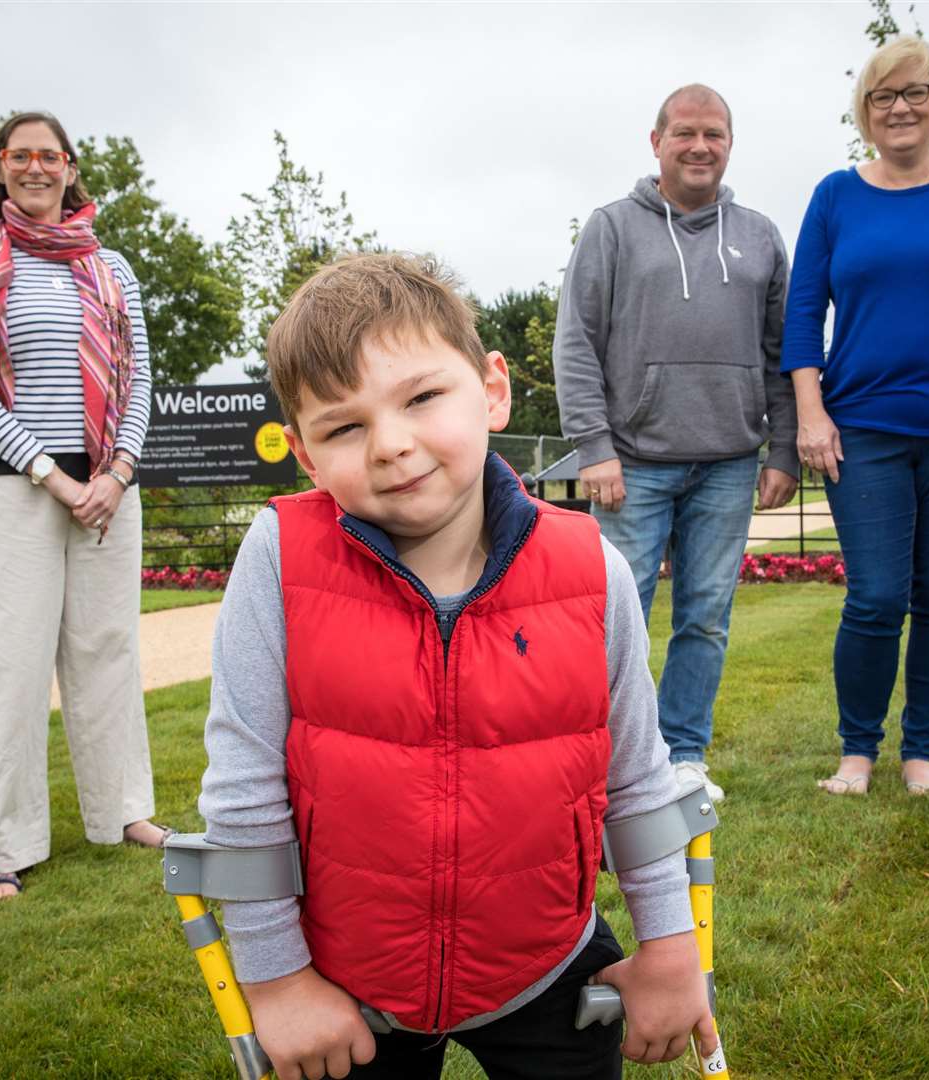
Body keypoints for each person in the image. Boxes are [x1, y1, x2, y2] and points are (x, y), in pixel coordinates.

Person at [197, 253, 716, 1080]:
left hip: (548, 963)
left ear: (492, 388)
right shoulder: (279, 558)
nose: (391, 446)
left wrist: (668, 951)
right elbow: (243, 788)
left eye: (422, 398)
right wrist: (278, 980)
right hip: (346, 979)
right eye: (343, 427)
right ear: (303, 453)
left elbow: (638, 780)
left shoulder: (589, 567)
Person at [0, 111, 165, 901]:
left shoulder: (111, 268)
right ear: (0, 168)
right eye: (19, 155)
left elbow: (136, 381)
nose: (36, 167)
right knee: (13, 665)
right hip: (17, 484)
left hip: (108, 487)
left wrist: (119, 471)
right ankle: (1, 846)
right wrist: (51, 474)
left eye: (50, 156)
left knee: (108, 653)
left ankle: (125, 812)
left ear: (70, 169)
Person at [782, 37, 929, 798]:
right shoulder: (834, 196)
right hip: (862, 427)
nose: (901, 108)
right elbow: (802, 313)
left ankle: (922, 755)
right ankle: (857, 752)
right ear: (864, 112)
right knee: (876, 594)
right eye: (884, 96)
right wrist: (810, 416)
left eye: (914, 92)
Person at [554, 84, 798, 803]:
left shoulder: (758, 236)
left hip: (728, 461)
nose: (699, 147)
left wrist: (781, 448)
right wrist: (592, 445)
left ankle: (684, 753)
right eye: (685, 133)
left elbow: (783, 349)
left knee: (705, 616)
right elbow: (576, 342)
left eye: (714, 135)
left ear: (729, 144)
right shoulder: (611, 227)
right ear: (655, 141)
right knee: (617, 615)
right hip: (630, 460)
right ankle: (608, 754)